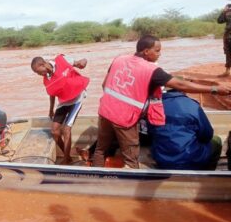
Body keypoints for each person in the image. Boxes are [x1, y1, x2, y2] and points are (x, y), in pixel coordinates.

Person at [93, 35, 231, 169]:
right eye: (157, 50)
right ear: (146, 51)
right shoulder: (152, 70)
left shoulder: (119, 59)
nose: (160, 54)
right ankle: (133, 185)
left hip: (105, 110)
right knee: (131, 156)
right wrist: (214, 89)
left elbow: (105, 85)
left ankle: (95, 176)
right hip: (124, 117)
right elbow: (181, 85)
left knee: (100, 149)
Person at [31, 54, 89, 164]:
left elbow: (79, 62)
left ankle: (66, 159)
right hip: (64, 101)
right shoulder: (46, 79)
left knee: (66, 129)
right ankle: (68, 156)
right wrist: (51, 110)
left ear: (43, 64)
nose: (38, 74)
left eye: (38, 71)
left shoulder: (61, 60)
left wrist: (84, 61)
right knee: (54, 131)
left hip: (77, 98)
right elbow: (52, 94)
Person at [148, 90, 222, 170]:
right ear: (183, 90)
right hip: (190, 158)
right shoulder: (192, 105)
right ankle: (208, 174)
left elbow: (149, 133)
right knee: (217, 140)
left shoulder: (154, 106)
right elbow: (207, 134)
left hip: (161, 158)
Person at [217, 3, 231, 76]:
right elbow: (219, 21)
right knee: (227, 53)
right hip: (227, 36)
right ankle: (227, 72)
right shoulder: (227, 13)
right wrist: (224, 11)